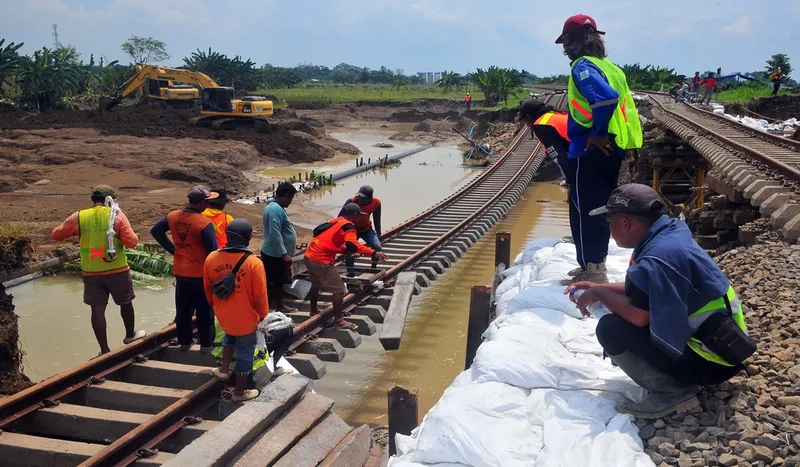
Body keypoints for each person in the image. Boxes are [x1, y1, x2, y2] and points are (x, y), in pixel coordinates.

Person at [566, 184, 754, 419]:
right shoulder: (670, 235)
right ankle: (679, 375)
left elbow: (638, 316)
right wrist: (599, 287)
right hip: (727, 347)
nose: (610, 230)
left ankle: (673, 391)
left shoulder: (656, 259)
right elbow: (645, 291)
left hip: (712, 362)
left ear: (625, 224)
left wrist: (600, 295)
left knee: (610, 329)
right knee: (617, 313)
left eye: (610, 222)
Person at [555, 14, 643, 285]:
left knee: (585, 208)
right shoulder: (611, 67)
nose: (565, 49)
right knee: (601, 208)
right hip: (613, 148)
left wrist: (595, 134)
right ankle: (594, 264)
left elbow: (606, 99)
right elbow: (624, 108)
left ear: (576, 41)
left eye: (567, 42)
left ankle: (593, 271)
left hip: (590, 150)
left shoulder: (583, 66)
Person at [51, 185, 145, 354]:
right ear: (111, 200)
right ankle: (130, 335)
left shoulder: (79, 216)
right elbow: (132, 242)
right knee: (125, 302)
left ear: (93, 200)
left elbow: (56, 235)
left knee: (97, 308)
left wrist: (78, 231)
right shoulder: (116, 215)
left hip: (91, 271)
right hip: (117, 269)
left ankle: (104, 349)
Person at [204, 219, 268, 402]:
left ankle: (224, 370)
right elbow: (260, 296)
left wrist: (216, 307)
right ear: (247, 238)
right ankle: (240, 392)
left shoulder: (211, 258)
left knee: (229, 337)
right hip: (246, 317)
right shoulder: (254, 263)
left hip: (223, 313)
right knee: (246, 351)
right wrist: (262, 315)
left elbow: (207, 288)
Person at [151, 186, 219, 350]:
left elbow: (156, 231)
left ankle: (184, 342)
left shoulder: (173, 216)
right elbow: (213, 251)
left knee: (183, 311)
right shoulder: (204, 223)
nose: (209, 204)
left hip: (181, 273)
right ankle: (206, 345)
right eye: (208, 201)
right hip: (200, 275)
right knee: (204, 312)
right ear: (202, 202)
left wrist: (173, 249)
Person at [304, 203, 389, 330]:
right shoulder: (349, 227)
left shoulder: (335, 221)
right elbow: (353, 243)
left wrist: (344, 250)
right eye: (358, 215)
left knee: (316, 284)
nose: (358, 218)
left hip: (309, 256)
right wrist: (374, 252)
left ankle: (313, 310)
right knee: (338, 289)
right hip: (321, 260)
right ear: (354, 215)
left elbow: (327, 240)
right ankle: (339, 321)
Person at [261, 182, 298, 313]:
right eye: (290, 198)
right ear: (286, 195)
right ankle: (280, 306)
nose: (290, 202)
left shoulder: (276, 207)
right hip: (274, 253)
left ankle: (269, 302)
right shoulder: (275, 209)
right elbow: (274, 233)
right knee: (276, 281)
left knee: (276, 279)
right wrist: (284, 254)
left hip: (275, 252)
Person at [517, 98, 570, 178]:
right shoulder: (557, 114)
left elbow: (559, 157)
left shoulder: (541, 126)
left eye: (524, 120)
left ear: (528, 117)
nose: (526, 124)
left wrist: (569, 180)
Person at [341, 185, 383, 277]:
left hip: (366, 229)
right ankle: (351, 273)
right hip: (351, 230)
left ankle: (373, 267)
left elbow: (377, 218)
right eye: (359, 196)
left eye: (363, 197)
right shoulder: (351, 201)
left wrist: (378, 232)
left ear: (370, 198)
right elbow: (341, 218)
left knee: (377, 247)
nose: (359, 199)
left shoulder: (376, 203)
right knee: (350, 250)